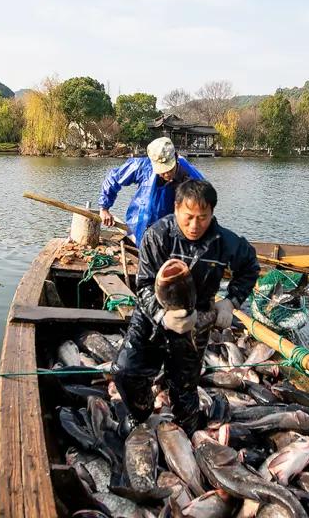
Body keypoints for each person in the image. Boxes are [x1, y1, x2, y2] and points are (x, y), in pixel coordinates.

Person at [114, 179, 260, 434]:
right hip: (153, 316)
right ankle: (142, 413)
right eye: (188, 216)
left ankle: (188, 432)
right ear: (176, 207)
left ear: (212, 213)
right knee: (125, 371)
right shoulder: (157, 235)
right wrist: (162, 316)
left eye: (202, 217)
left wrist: (231, 302)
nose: (194, 225)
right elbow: (145, 285)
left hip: (198, 317)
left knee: (184, 388)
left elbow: (250, 268)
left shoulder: (225, 241)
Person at [99, 136, 205, 247]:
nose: (166, 174)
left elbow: (204, 204)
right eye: (162, 171)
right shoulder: (143, 166)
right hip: (138, 226)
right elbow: (114, 178)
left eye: (170, 169)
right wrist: (104, 208)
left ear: (176, 157)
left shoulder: (191, 176)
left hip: (169, 233)